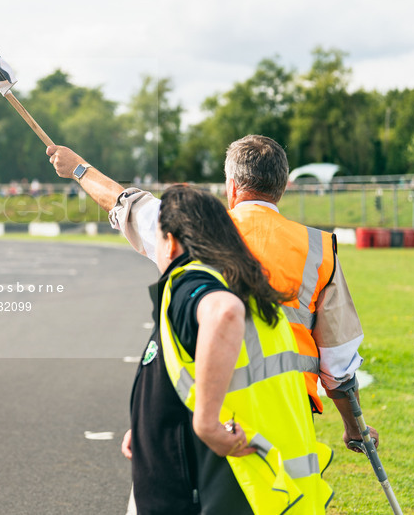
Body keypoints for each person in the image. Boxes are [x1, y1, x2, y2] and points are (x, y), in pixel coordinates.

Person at [46, 136, 378, 452]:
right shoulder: (320, 249)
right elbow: (339, 364)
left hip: (207, 405)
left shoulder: (192, 230)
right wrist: (354, 427)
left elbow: (125, 203)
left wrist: (78, 168)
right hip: (288, 409)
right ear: (281, 188)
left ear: (231, 186)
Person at [125, 184, 333, 513]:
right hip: (251, 485)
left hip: (203, 489)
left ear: (173, 240)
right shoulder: (246, 288)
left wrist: (206, 424)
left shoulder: (191, 281)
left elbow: (223, 313)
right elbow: (191, 373)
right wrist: (148, 426)